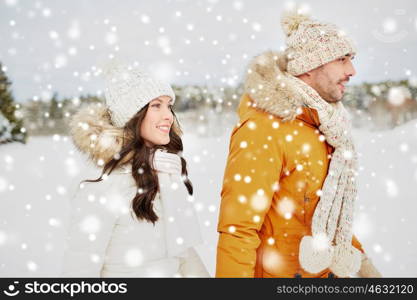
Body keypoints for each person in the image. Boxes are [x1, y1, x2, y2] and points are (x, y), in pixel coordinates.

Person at [216, 11, 382, 278]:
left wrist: (365, 267)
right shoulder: (264, 130)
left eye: (351, 60)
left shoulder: (325, 126)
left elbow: (326, 215)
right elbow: (239, 230)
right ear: (308, 66)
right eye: (342, 60)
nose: (352, 71)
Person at [61, 64, 209, 277]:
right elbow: (79, 269)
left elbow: (181, 254)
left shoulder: (164, 173)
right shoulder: (103, 185)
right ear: (132, 116)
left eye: (169, 106)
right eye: (156, 106)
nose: (168, 115)